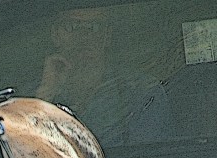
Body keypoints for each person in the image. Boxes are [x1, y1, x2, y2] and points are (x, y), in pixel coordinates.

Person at [35, 7, 175, 147]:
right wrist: (46, 95)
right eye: (72, 26)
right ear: (55, 34)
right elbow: (23, 151)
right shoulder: (32, 96)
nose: (84, 35)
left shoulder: (142, 94)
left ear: (107, 35)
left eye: (94, 27)